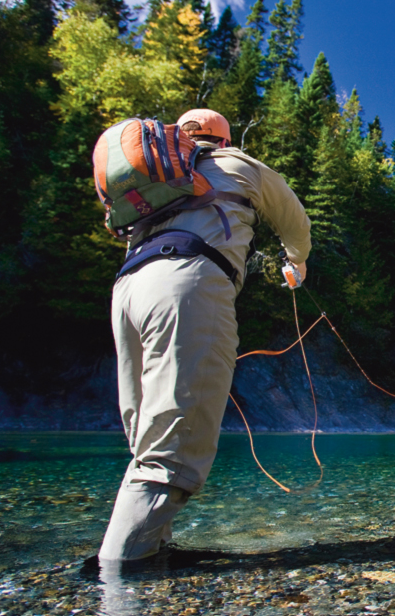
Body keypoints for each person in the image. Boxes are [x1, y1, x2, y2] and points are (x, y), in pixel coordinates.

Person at [98, 109, 311, 562]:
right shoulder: (241, 165)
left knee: (148, 440)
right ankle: (119, 577)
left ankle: (154, 550)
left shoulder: (165, 175)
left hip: (128, 291)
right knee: (173, 450)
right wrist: (298, 261)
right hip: (188, 284)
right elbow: (294, 221)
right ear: (224, 138)